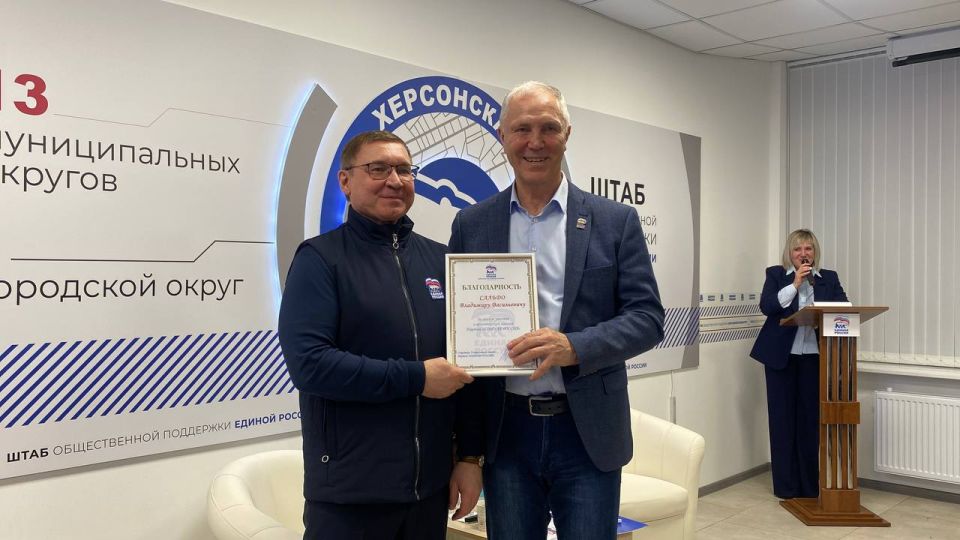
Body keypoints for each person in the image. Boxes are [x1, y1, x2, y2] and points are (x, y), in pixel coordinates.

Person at [447, 81, 665, 539]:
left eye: (549, 128)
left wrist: (575, 347)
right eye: (522, 129)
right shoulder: (472, 224)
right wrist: (467, 451)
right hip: (506, 433)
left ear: (567, 134)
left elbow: (647, 319)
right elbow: (459, 337)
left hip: (586, 432)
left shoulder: (615, 221)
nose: (535, 142)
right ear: (502, 136)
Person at [278, 130, 483, 540]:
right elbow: (310, 366)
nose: (394, 180)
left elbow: (468, 364)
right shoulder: (320, 259)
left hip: (428, 493)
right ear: (345, 181)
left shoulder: (441, 260)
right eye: (378, 169)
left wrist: (470, 457)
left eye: (404, 170)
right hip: (350, 496)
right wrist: (417, 378)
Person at [750, 228, 848, 500]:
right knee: (782, 422)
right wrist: (794, 284)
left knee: (809, 422)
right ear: (790, 254)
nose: (803, 254)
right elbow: (768, 306)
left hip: (814, 358)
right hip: (780, 358)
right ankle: (786, 486)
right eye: (797, 249)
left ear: (815, 253)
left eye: (808, 248)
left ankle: (808, 486)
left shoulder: (828, 278)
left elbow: (844, 307)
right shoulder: (775, 275)